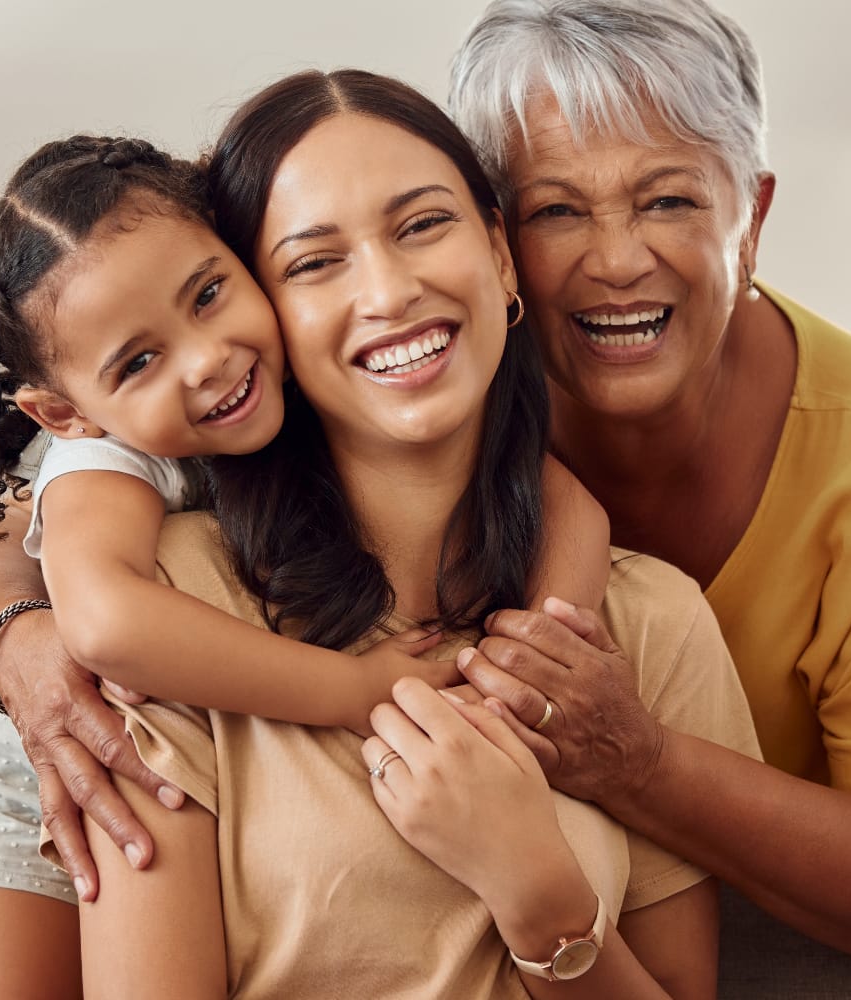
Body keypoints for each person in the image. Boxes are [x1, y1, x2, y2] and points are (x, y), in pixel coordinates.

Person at [62, 67, 757, 997]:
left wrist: (535, 887)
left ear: (501, 257)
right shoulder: (179, 600)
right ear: (264, 316)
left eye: (423, 225)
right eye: (314, 262)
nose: (388, 291)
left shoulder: (654, 622)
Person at [0, 133, 611, 997]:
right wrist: (355, 691)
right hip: (21, 795)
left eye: (208, 294)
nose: (206, 359)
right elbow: (107, 625)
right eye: (138, 361)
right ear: (64, 412)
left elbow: (562, 497)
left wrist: (544, 663)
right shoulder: (106, 466)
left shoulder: (302, 391)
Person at [441, 0, 851, 977]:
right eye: (558, 209)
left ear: (753, 217)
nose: (616, 260)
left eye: (669, 201)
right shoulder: (441, 410)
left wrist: (636, 762)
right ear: (497, 240)